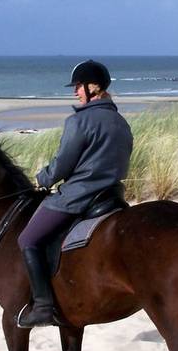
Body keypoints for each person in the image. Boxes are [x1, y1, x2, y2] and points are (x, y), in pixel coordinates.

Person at [15, 60, 133, 328]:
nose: (75, 92)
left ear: (95, 87)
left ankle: (43, 306)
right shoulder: (121, 122)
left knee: (28, 238)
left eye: (79, 86)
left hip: (79, 197)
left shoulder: (79, 121)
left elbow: (63, 164)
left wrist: (43, 179)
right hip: (112, 195)